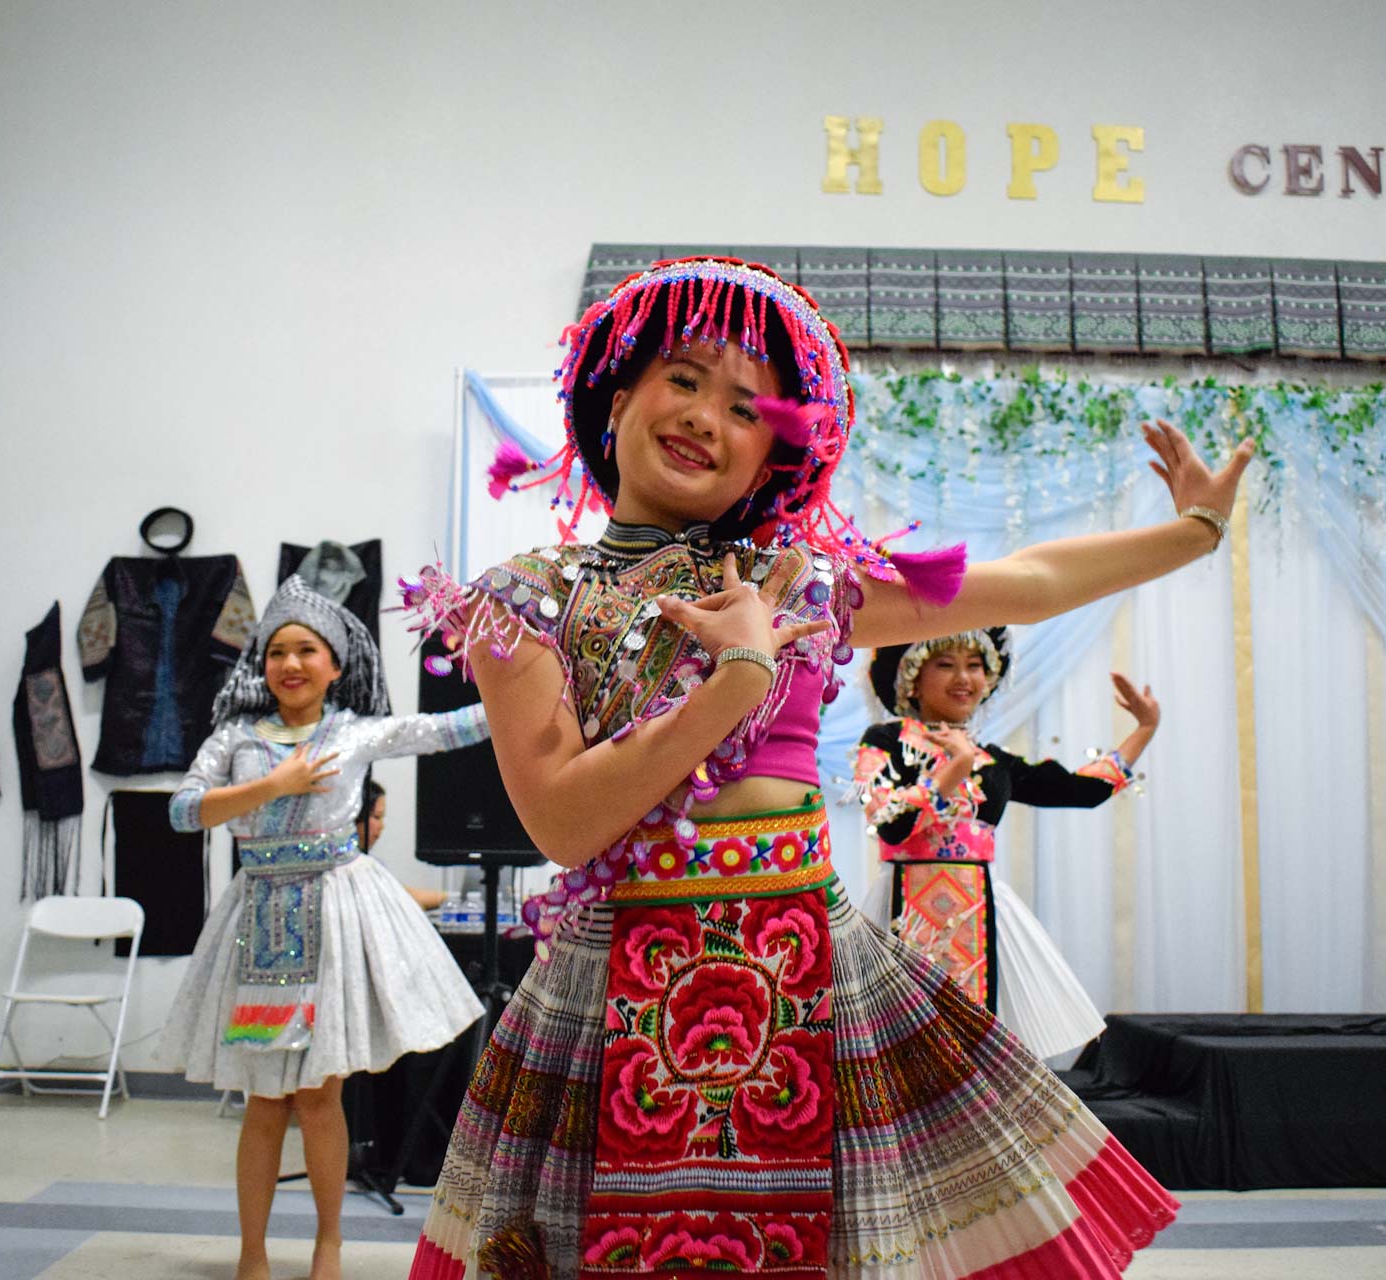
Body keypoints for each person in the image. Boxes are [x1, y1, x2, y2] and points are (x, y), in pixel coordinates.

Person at [401, 256, 1252, 1278]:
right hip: (612, 971)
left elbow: (1022, 584)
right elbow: (565, 824)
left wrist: (1193, 534)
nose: (707, 416)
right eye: (684, 378)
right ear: (617, 397)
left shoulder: (794, 579)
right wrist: (735, 680)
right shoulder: (523, 597)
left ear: (772, 457)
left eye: (747, 405)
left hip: (812, 962)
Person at [161, 575, 489, 1280]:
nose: (290, 663)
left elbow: (445, 730)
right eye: (277, 651)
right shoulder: (235, 738)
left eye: (306, 650)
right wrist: (268, 788)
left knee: (319, 1096)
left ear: (335, 665)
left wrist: (524, 690)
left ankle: (328, 1245)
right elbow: (183, 812)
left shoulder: (354, 732)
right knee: (263, 1101)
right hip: (258, 924)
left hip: (335, 917)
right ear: (263, 665)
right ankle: (252, 1253)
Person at [856, 630, 1158, 1058]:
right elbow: (889, 822)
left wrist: (1144, 729)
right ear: (912, 680)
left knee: (979, 1042)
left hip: (981, 911)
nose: (964, 677)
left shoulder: (991, 758)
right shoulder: (886, 741)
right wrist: (955, 767)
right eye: (946, 664)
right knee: (901, 1040)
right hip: (904, 908)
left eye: (974, 665)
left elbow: (1079, 790)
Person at [357, 777, 445, 911]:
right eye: (377, 817)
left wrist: (452, 898)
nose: (382, 826)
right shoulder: (354, 868)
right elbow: (409, 898)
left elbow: (406, 894)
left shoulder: (374, 864)